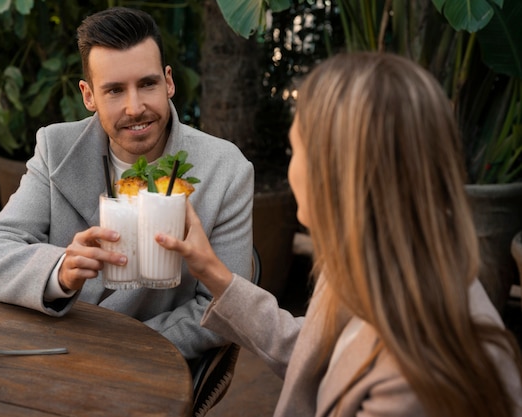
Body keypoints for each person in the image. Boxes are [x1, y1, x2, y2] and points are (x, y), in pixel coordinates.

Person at [156, 52, 522, 416]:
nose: (290, 169)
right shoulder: (390, 262)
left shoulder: (412, 384)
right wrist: (213, 273)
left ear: (335, 175)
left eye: (294, 150)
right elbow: (322, 352)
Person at [0, 7, 253, 360]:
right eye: (115, 90)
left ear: (169, 81)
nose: (135, 108)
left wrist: (124, 348)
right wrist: (60, 271)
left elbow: (225, 308)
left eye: (147, 84)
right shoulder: (56, 148)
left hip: (153, 364)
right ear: (88, 96)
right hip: (50, 354)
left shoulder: (226, 170)